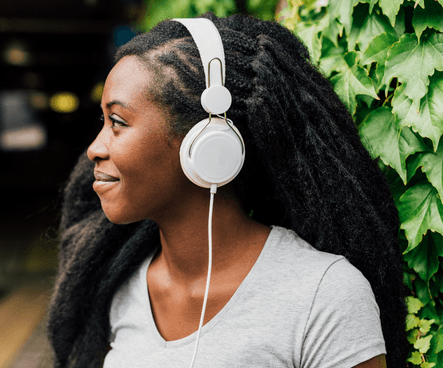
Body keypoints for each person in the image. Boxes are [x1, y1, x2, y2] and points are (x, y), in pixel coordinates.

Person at [46, 12, 407, 368]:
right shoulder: (123, 287)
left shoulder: (324, 295)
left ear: (206, 143)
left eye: (118, 122)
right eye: (102, 122)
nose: (94, 148)